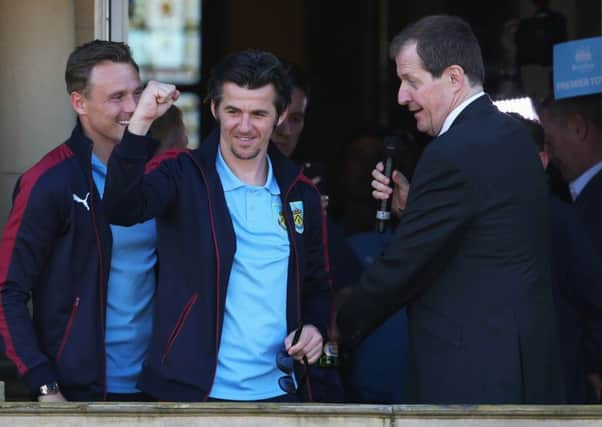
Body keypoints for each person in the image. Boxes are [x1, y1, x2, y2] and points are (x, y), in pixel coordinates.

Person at [336, 15, 564, 404]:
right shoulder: (512, 135)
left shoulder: (452, 152)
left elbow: (407, 264)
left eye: (412, 82)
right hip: (523, 367)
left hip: (473, 376)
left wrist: (340, 324)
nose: (401, 97)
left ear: (454, 78)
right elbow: (482, 241)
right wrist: (416, 208)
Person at [103, 49, 330, 402]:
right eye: (233, 111)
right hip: (191, 394)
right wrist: (141, 123)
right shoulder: (181, 175)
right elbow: (120, 207)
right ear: (214, 110)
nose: (244, 126)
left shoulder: (301, 193)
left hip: (280, 391)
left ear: (280, 116)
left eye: (258, 114)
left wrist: (315, 329)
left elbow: (317, 284)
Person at [0, 40, 158, 401]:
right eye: (116, 97)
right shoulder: (49, 181)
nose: (132, 108)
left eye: (136, 93)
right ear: (79, 103)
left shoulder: (160, 173)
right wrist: (44, 382)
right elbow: (7, 291)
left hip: (160, 385)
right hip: (81, 392)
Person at [511, 113, 602, 403]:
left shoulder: (560, 220)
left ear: (542, 161)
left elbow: (594, 299)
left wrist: (593, 367)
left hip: (559, 388)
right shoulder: (477, 219)